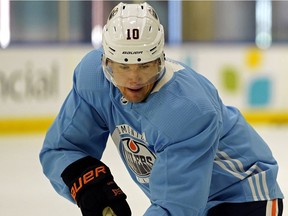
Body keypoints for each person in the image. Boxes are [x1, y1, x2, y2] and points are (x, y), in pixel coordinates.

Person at [39, 2, 284, 216]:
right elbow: (62, 148)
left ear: (160, 60)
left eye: (144, 66)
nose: (134, 80)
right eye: (123, 67)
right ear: (106, 62)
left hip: (242, 195)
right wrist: (87, 185)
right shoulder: (93, 78)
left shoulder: (188, 110)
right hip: (186, 200)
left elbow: (176, 206)